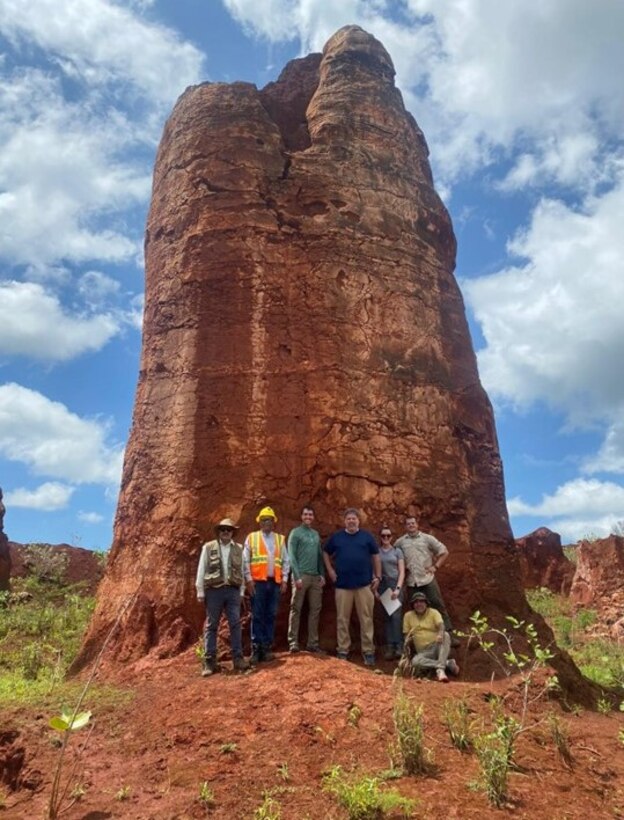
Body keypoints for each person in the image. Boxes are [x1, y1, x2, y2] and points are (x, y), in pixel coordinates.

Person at [323, 508, 381, 666]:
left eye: (354, 519)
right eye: (348, 518)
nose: (351, 521)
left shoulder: (367, 537)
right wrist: (330, 570)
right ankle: (343, 650)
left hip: (364, 585)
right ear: (344, 521)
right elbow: (326, 553)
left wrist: (378, 576)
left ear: (358, 521)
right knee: (342, 619)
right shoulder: (337, 537)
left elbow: (376, 556)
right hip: (342, 586)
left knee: (366, 619)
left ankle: (368, 651)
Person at [195, 518, 249, 676]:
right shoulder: (208, 547)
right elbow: (202, 568)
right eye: (223, 529)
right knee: (211, 625)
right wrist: (200, 591)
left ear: (233, 532)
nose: (226, 532)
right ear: (219, 531)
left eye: (229, 529)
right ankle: (209, 662)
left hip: (232, 591)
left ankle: (238, 659)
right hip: (214, 591)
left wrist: (241, 592)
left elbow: (243, 572)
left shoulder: (239, 549)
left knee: (235, 624)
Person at [394, 515, 455, 640]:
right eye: (408, 524)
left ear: (417, 525)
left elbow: (444, 551)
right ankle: (418, 637)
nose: (411, 525)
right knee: (415, 610)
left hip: (427, 579)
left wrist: (435, 567)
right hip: (412, 582)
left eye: (413, 523)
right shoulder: (400, 542)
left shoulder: (427, 539)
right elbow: (392, 555)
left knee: (437, 605)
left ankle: (448, 634)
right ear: (405, 526)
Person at [244, 506, 289, 664]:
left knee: (270, 615)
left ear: (273, 522)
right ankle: (256, 650)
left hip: (274, 583)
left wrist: (284, 580)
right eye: (264, 520)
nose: (266, 522)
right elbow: (245, 560)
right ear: (259, 522)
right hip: (258, 583)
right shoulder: (252, 538)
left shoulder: (279, 539)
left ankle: (266, 648)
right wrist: (248, 580)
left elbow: (285, 561)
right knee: (257, 615)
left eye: (269, 520)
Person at [287, 505, 326, 653]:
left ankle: (312, 643)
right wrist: (296, 576)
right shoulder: (295, 533)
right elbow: (292, 556)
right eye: (305, 514)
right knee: (296, 608)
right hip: (301, 575)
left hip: (315, 577)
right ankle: (293, 642)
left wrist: (322, 574)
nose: (308, 517)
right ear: (301, 517)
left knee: (315, 610)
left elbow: (319, 556)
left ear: (313, 517)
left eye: (310, 514)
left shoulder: (315, 534)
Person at [402, 591, 459, 682]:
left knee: (446, 635)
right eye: (416, 602)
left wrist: (440, 634)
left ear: (426, 603)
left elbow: (441, 625)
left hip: (437, 647)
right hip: (423, 653)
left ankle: (440, 670)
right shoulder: (408, 616)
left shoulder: (433, 612)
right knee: (415, 662)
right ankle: (447, 663)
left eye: (421, 601)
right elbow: (406, 635)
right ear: (413, 604)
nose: (419, 604)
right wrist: (407, 653)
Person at [376, 526, 405, 660]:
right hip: (383, 584)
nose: (386, 538)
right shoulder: (377, 552)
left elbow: (402, 571)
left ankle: (399, 646)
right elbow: (374, 570)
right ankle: (389, 646)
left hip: (394, 584)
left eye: (388, 535)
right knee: (388, 616)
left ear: (392, 537)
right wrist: (375, 589)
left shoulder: (397, 551)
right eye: (383, 536)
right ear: (380, 537)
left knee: (396, 616)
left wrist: (398, 589)